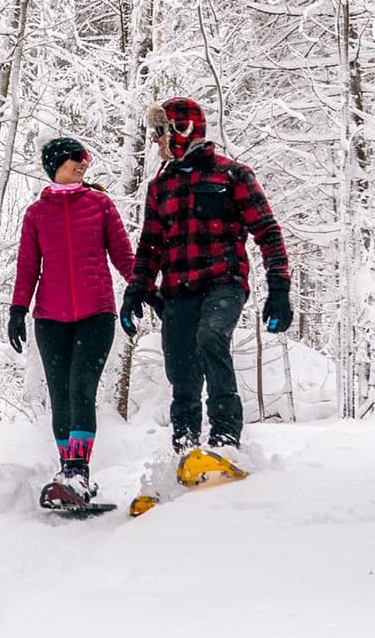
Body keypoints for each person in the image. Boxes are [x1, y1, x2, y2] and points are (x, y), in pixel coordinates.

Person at [120, 97, 292, 474]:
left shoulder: (232, 175)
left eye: (160, 131)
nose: (154, 140)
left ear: (183, 130)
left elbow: (268, 232)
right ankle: (185, 451)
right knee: (180, 369)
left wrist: (279, 288)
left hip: (224, 283)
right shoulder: (160, 186)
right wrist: (137, 289)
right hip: (178, 291)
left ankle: (225, 442)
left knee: (211, 338)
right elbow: (150, 245)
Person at [9, 135, 135, 510]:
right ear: (56, 165)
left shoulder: (99, 205)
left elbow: (123, 255)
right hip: (49, 319)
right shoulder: (36, 214)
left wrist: (143, 288)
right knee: (60, 394)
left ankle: (78, 472)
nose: (84, 163)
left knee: (81, 388)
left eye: (85, 158)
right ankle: (69, 474)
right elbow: (28, 266)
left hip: (96, 313)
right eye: (76, 158)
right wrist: (18, 309)